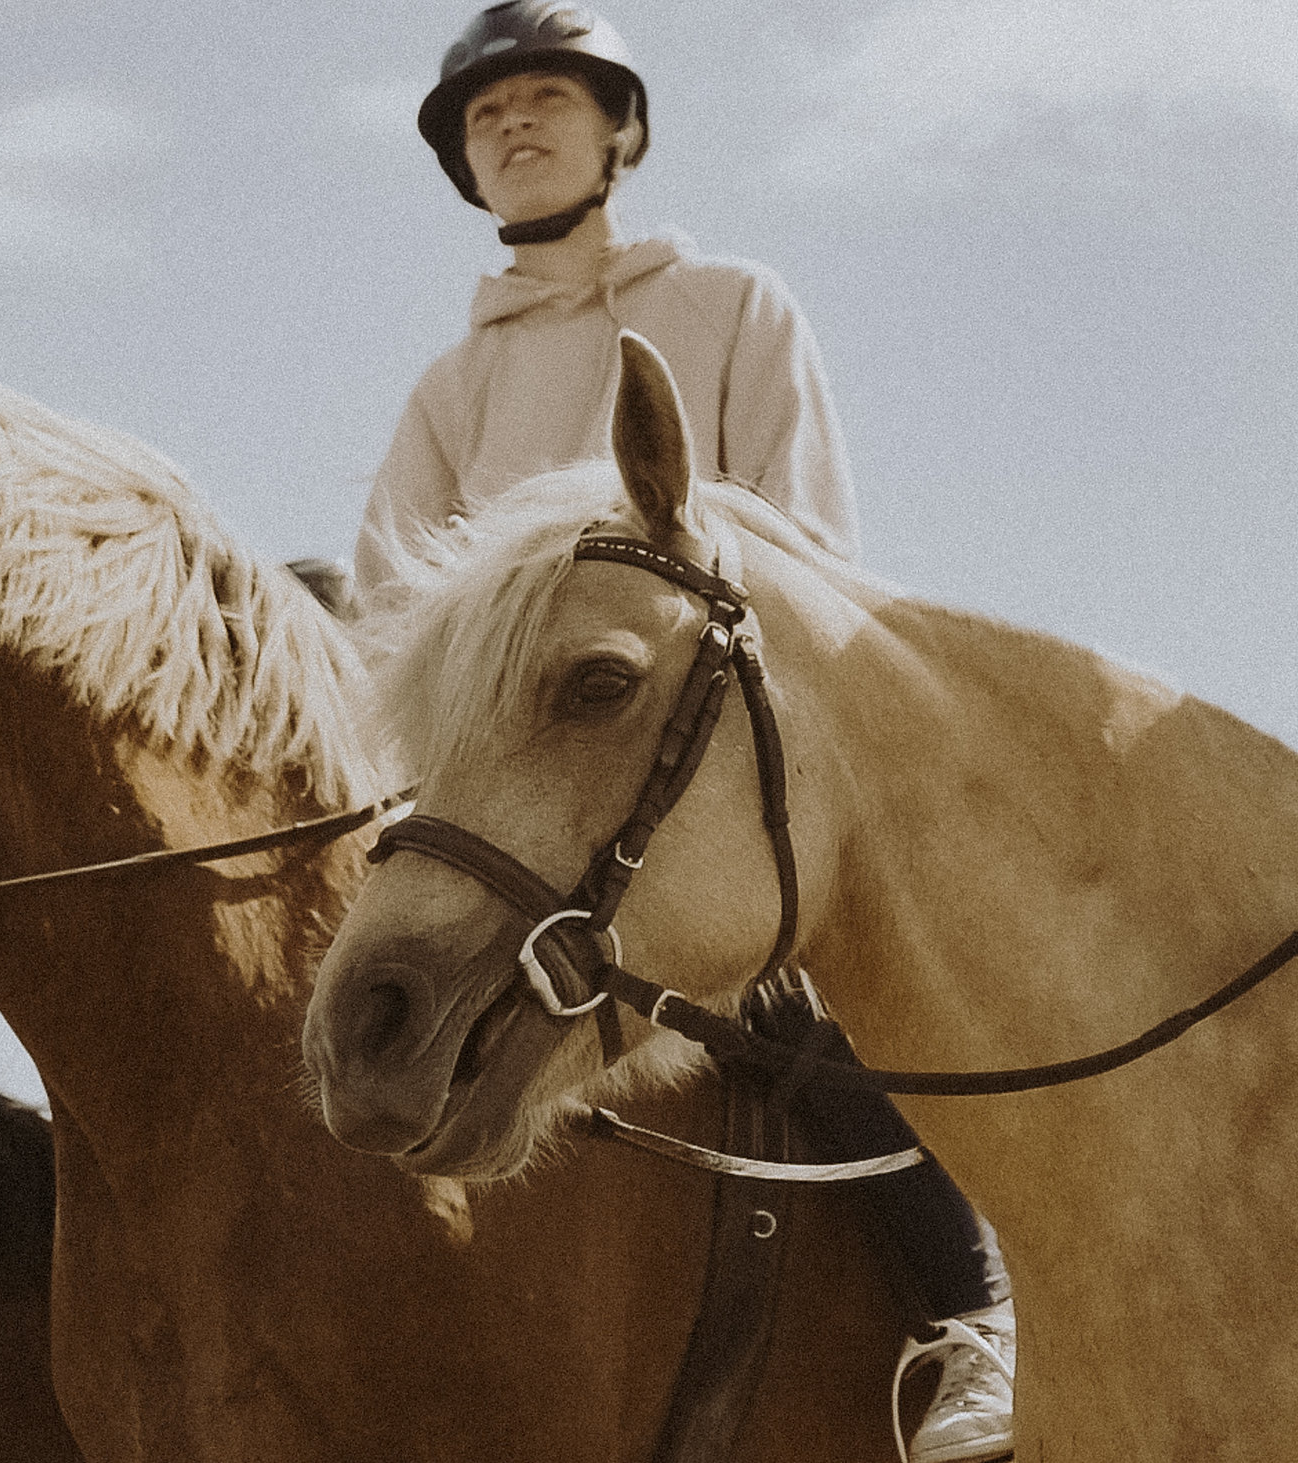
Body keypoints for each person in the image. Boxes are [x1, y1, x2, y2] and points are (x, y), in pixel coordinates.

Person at [358, 8, 1014, 1462]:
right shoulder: (450, 389)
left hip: (717, 761)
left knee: (826, 995)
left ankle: (975, 1319)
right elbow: (391, 619)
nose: (513, 126)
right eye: (485, 116)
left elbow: (813, 547)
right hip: (526, 802)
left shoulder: (735, 303)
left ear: (622, 133)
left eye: (544, 100)